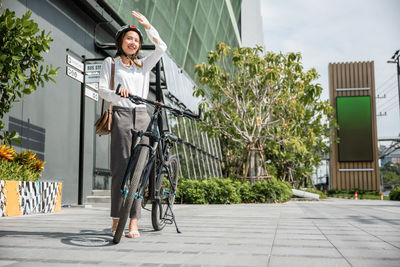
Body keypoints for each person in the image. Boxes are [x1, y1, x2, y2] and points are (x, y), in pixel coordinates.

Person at [98, 10, 167, 238]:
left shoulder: (143, 66)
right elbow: (101, 89)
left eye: (136, 40)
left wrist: (148, 25)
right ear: (121, 41)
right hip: (121, 115)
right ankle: (117, 220)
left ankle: (134, 222)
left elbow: (162, 48)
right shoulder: (111, 62)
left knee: (139, 170)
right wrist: (118, 95)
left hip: (142, 116)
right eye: (129, 38)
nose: (133, 42)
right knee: (121, 168)